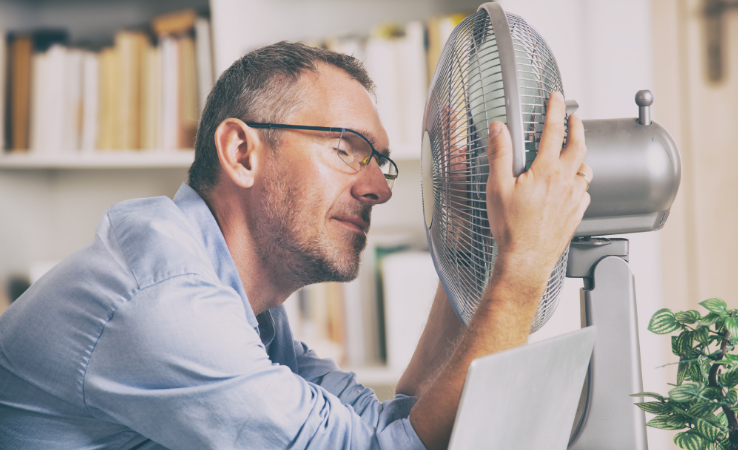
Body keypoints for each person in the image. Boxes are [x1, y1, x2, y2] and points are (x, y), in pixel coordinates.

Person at [0, 42, 591, 450]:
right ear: (241, 153)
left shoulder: (245, 309)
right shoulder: (166, 307)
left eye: (380, 162)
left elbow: (396, 426)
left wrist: (472, 248)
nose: (378, 188)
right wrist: (522, 267)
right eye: (345, 148)